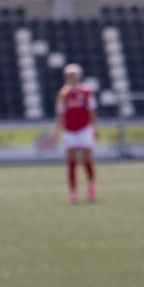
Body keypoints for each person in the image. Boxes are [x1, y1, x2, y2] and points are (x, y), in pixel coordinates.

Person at [55, 63, 98, 204]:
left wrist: (95, 128)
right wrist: (57, 131)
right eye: (69, 74)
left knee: (87, 159)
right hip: (69, 130)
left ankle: (91, 186)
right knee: (71, 161)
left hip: (84, 128)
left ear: (79, 75)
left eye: (74, 74)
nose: (72, 76)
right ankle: (73, 191)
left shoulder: (86, 91)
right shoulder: (63, 93)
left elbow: (92, 111)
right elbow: (60, 114)